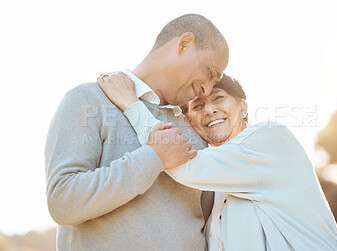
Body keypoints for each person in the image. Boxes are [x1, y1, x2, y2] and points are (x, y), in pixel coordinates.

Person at [98, 73, 337, 251]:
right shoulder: (213, 187)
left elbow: (181, 163)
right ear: (190, 120)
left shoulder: (269, 137)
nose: (209, 110)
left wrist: (131, 104)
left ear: (243, 106)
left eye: (218, 98)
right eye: (197, 105)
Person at [45, 14, 229, 251]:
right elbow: (63, 202)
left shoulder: (195, 131)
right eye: (210, 73)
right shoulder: (88, 101)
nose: (207, 88)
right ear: (184, 44)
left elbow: (209, 227)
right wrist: (152, 158)